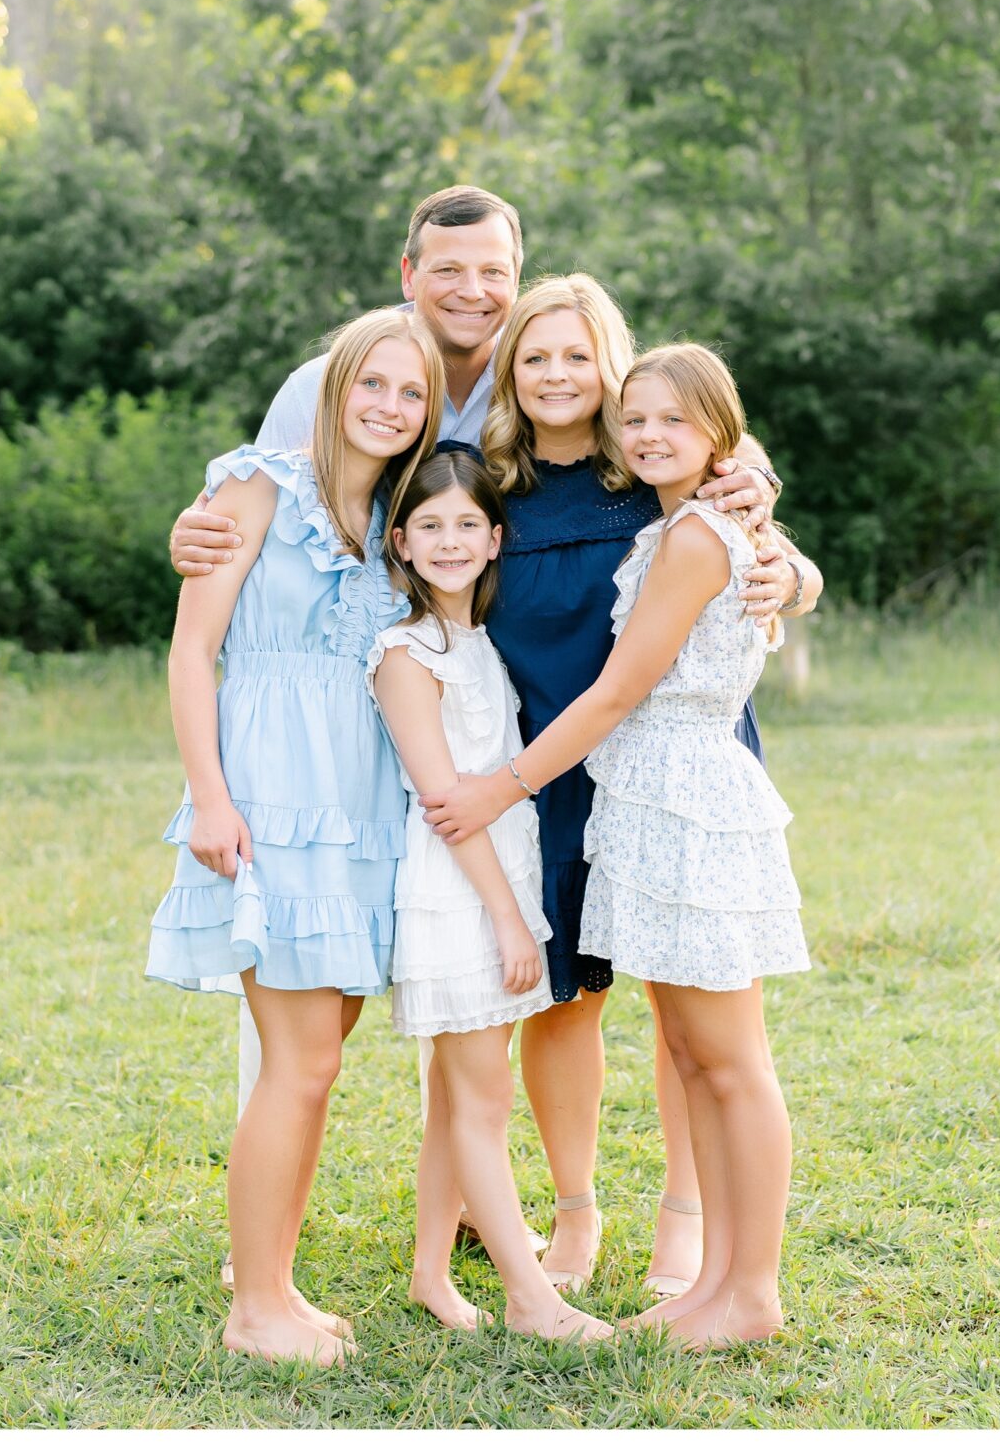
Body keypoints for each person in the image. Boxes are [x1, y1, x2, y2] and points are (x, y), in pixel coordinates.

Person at [168, 186, 813, 1282]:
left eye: (493, 273)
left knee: (677, 994)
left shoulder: (638, 455)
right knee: (497, 990)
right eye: (449, 270)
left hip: (643, 752)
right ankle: (320, 1236)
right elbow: (295, 509)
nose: (475, 293)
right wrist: (205, 523)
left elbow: (741, 541)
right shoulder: (385, 397)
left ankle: (686, 1218)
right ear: (408, 272)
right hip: (488, 743)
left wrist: (783, 554)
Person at [423, 342, 807, 1350]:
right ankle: (715, 1280)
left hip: (689, 795)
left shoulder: (695, 535)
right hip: (650, 800)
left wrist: (502, 783)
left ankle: (749, 1288)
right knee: (689, 1048)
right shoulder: (678, 521)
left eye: (670, 422)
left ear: (722, 437)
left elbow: (617, 688)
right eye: (634, 419)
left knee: (730, 1061)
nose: (644, 436)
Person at [144, 308, 443, 1367]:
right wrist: (209, 797)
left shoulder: (399, 514)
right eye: (373, 385)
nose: (389, 408)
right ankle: (256, 1304)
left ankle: (276, 1286)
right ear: (333, 384)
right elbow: (192, 652)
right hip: (271, 795)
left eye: (411, 394)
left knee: (320, 1058)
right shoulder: (258, 483)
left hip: (362, 802)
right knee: (297, 1060)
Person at [369, 451, 614, 1343]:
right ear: (399, 541)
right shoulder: (405, 655)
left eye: (467, 524)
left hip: (500, 882)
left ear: (496, 537)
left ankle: (432, 1273)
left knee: (456, 1094)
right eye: (428, 526)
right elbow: (446, 806)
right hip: (460, 896)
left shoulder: (476, 642)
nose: (449, 541)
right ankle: (528, 1295)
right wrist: (511, 921)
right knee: (481, 1100)